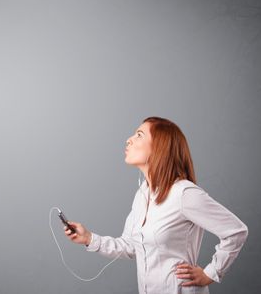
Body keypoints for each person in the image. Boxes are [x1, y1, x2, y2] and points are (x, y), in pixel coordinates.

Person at [63, 116, 248, 294]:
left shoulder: (184, 194)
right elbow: (130, 246)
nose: (129, 140)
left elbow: (236, 231)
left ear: (159, 147)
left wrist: (211, 273)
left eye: (139, 135)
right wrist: (88, 238)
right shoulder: (143, 194)